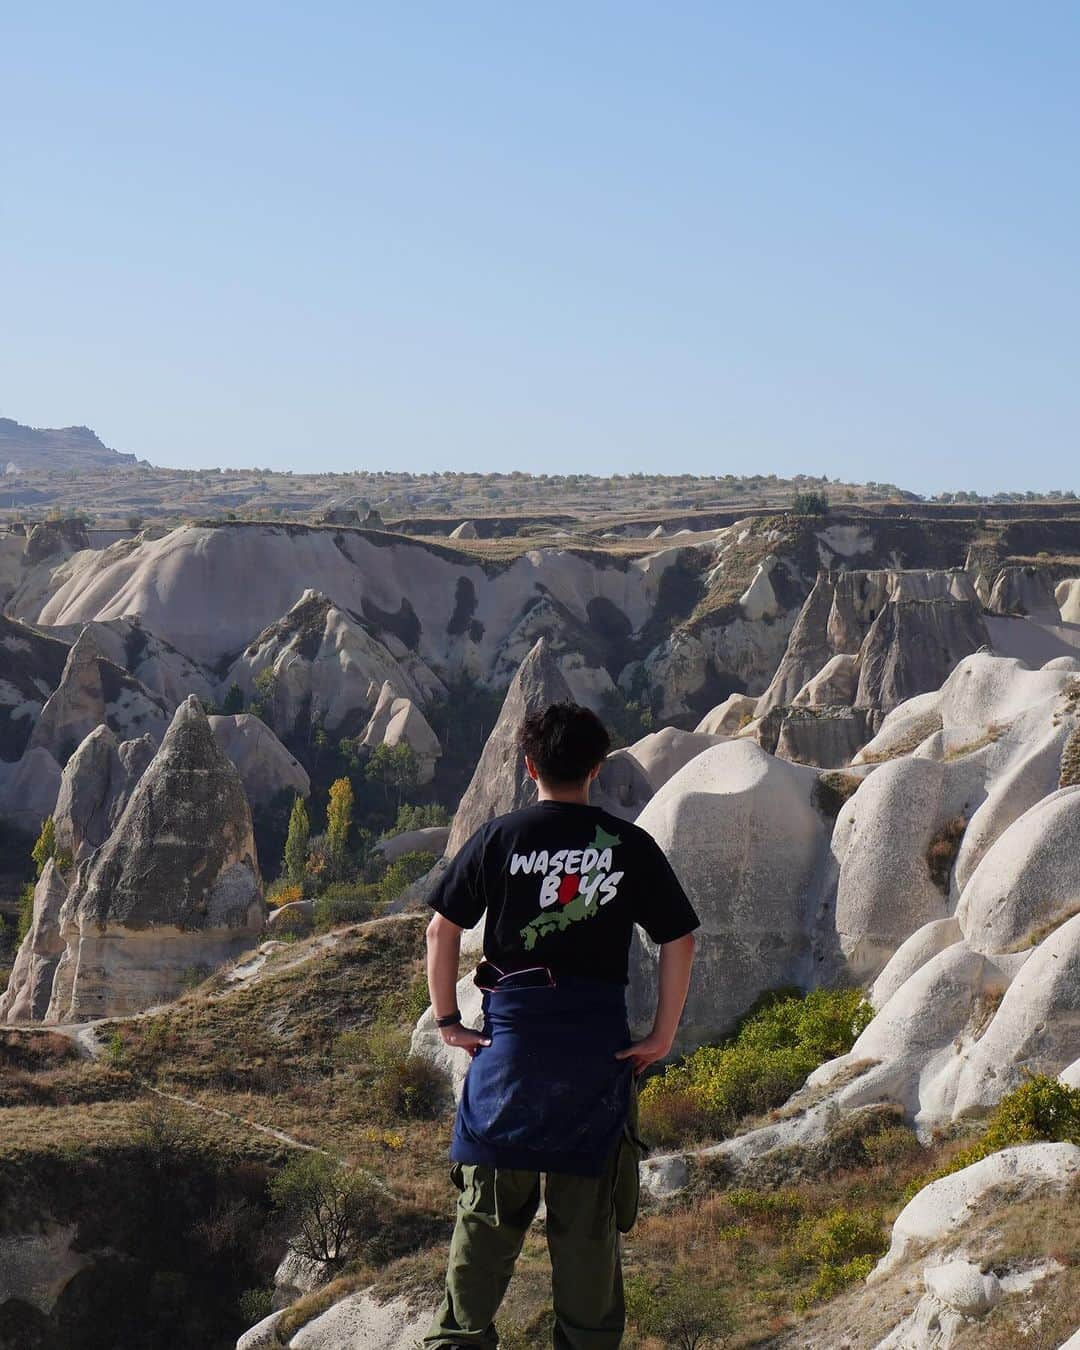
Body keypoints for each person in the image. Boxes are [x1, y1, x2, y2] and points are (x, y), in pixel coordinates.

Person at [422, 700, 699, 1350]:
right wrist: (660, 1036)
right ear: (597, 770)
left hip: (507, 1071)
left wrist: (446, 1020)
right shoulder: (626, 846)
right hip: (593, 1076)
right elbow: (678, 941)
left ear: (527, 766)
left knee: (479, 1253)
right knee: (588, 1253)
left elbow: (441, 929)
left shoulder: (499, 837)